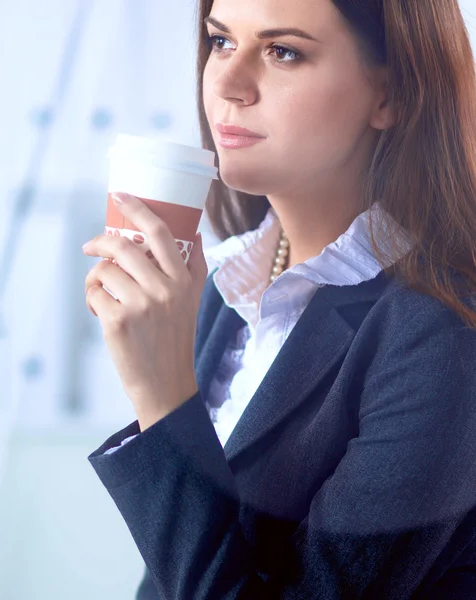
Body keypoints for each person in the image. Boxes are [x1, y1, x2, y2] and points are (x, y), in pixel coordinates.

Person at [83, 0, 476, 598]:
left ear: (390, 95)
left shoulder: (445, 338)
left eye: (282, 51)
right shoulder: (226, 285)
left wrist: (161, 394)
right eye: (220, 41)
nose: (228, 84)